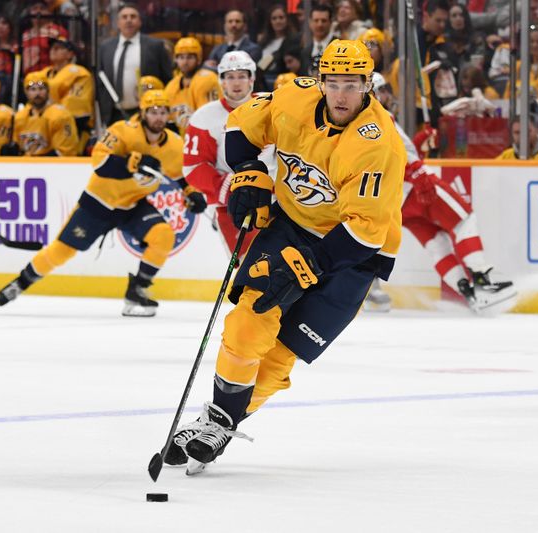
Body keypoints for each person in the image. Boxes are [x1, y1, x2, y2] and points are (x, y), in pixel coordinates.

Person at [165, 40, 406, 474]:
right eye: (334, 83)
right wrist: (250, 171)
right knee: (249, 316)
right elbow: (242, 125)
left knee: (281, 357)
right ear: (321, 80)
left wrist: (305, 266)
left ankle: (217, 419)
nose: (342, 95)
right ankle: (220, 421)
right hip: (292, 224)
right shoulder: (294, 96)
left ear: (368, 86)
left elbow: (364, 231)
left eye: (352, 85)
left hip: (354, 252)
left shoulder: (378, 143)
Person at [0, 90, 207, 317]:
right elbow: (100, 162)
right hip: (99, 202)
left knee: (163, 235)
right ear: (143, 113)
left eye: (163, 112)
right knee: (61, 252)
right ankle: (21, 282)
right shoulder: (122, 131)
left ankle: (137, 290)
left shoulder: (174, 144)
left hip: (133, 205)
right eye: (153, 112)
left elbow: (181, 175)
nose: (158, 117)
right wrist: (132, 163)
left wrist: (191, 192)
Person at [365, 73, 516, 314]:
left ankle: (466, 291)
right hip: (416, 186)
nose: (385, 96)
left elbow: (400, 151)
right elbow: (400, 155)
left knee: (437, 243)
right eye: (381, 90)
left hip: (397, 202)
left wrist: (422, 139)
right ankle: (482, 281)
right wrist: (418, 174)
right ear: (371, 91)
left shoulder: (363, 122)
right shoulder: (380, 116)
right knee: (464, 220)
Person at [183, 51, 270, 258]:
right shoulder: (204, 117)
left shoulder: (271, 106)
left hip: (281, 201)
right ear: (221, 81)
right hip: (235, 206)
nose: (236, 82)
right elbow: (193, 167)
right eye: (230, 77)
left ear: (252, 78)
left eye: (241, 75)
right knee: (251, 268)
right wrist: (232, 189)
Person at [97, 2, 173, 126]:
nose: (129, 20)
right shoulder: (106, 47)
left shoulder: (155, 46)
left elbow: (168, 79)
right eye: (124, 17)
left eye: (133, 17)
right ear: (118, 23)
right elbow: (100, 80)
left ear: (140, 22)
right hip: (113, 114)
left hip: (147, 112)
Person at [5, 71, 79, 156]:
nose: (37, 93)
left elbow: (65, 151)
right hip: (26, 165)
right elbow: (17, 146)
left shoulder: (60, 115)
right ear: (26, 92)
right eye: (33, 89)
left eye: (41, 88)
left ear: (48, 90)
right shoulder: (19, 117)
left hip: (52, 166)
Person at [41, 38, 95, 152]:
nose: (54, 50)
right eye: (52, 47)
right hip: (44, 128)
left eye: (60, 47)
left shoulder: (79, 74)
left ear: (70, 54)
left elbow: (77, 111)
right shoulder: (44, 74)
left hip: (71, 129)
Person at [164, 37, 220, 135]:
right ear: (176, 60)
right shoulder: (171, 86)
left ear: (198, 59)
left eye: (189, 57)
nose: (185, 62)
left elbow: (209, 119)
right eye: (181, 57)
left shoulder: (208, 79)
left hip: (206, 136)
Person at [257, 4, 301, 90]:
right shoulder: (263, 41)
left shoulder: (294, 40)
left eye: (281, 17)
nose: (278, 21)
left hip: (284, 84)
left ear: (287, 19)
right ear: (270, 21)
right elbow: (260, 66)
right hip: (264, 84)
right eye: (274, 18)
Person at [21, 0, 69, 74]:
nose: (38, 11)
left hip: (51, 75)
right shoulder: (24, 34)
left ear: (49, 12)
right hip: (29, 77)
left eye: (42, 8)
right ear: (29, 12)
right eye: (35, 8)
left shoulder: (58, 31)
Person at [300, 4, 334, 76]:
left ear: (330, 22)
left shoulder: (340, 47)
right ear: (310, 22)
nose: (319, 24)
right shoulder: (304, 52)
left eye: (323, 21)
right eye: (316, 20)